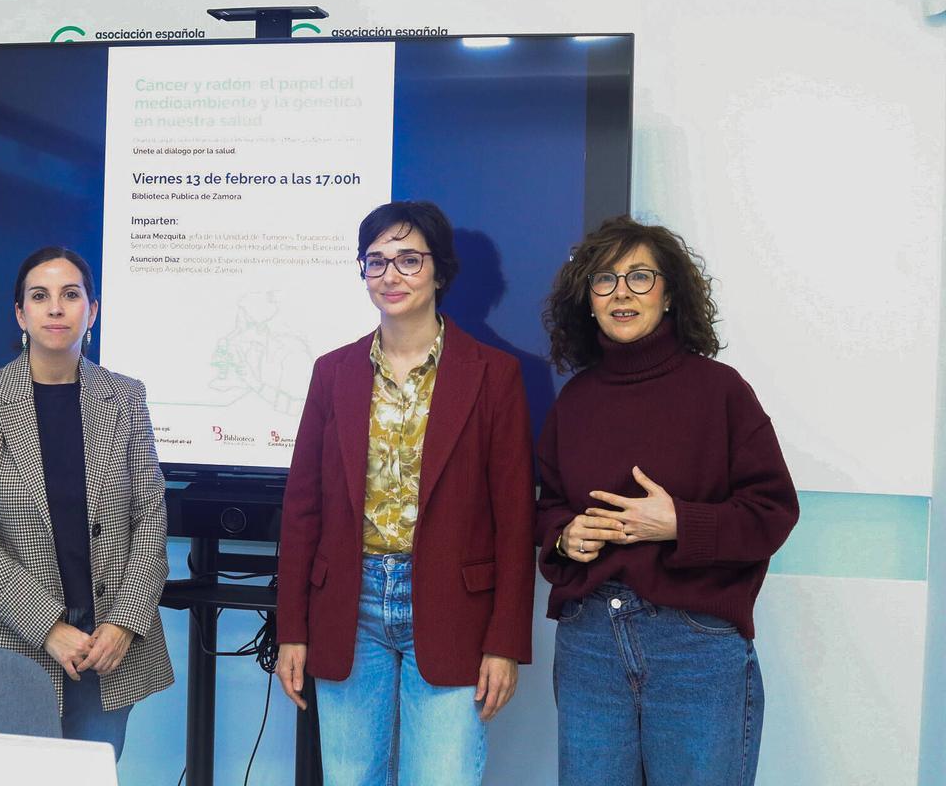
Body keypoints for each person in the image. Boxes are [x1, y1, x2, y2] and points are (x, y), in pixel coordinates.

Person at [275, 201, 536, 785]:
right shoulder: (333, 372)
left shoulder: (493, 375)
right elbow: (302, 509)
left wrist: (505, 642)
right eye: (376, 261)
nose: (390, 275)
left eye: (409, 260)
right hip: (350, 603)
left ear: (440, 271)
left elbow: (516, 519)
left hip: (452, 605)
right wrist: (292, 627)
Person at [536, 216, 799, 785]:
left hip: (694, 645)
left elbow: (773, 513)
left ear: (670, 293)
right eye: (605, 280)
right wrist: (565, 536)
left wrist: (680, 522)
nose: (622, 293)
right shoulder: (574, 401)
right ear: (588, 301)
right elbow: (549, 505)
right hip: (589, 644)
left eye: (640, 276)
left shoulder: (721, 391)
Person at [0, 246, 172, 758]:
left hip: (106, 647)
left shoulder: (125, 398)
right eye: (39, 296)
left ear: (92, 311)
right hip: (13, 638)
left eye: (71, 295)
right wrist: (48, 627)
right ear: (20, 314)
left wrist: (125, 622)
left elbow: (150, 518)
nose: (55, 308)